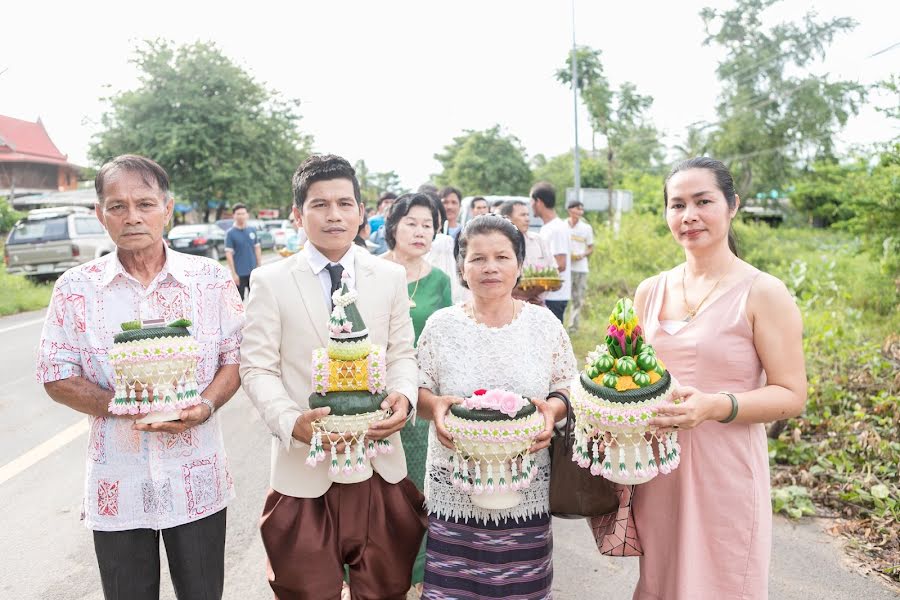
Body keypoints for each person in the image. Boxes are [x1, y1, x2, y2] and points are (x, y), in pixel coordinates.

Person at [36, 154, 244, 600]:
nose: (132, 217)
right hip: (118, 485)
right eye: (117, 206)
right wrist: (123, 404)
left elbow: (235, 359)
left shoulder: (208, 279)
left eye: (145, 204)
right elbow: (55, 375)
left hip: (197, 477)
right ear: (100, 214)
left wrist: (204, 406)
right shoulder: (75, 288)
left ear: (167, 209)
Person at [240, 154, 426, 600]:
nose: (334, 214)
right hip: (303, 471)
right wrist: (290, 421)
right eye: (319, 204)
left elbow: (402, 353)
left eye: (345, 203)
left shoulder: (390, 276)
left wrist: (403, 395)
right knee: (306, 592)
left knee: (385, 590)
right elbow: (257, 366)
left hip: (380, 464)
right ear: (297, 214)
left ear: (362, 212)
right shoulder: (270, 281)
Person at [630, 157, 807, 600]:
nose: (688, 216)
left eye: (702, 201)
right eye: (677, 205)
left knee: (722, 583)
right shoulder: (650, 291)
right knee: (660, 584)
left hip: (725, 472)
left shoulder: (763, 292)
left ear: (732, 206)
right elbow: (629, 379)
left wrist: (716, 405)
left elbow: (791, 395)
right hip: (657, 471)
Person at [416, 215, 577, 599]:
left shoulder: (544, 325)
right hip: (454, 489)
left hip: (526, 487)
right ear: (461, 267)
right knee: (452, 590)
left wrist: (552, 411)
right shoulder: (441, 326)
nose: (490, 267)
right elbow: (418, 388)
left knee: (523, 589)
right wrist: (435, 406)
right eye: (478, 258)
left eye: (502, 257)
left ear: (519, 265)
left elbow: (567, 385)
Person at [381, 192, 452, 595]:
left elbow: (440, 344)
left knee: (418, 490)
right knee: (378, 493)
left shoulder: (440, 281)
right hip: (376, 393)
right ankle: (372, 572)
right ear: (393, 227)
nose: (420, 230)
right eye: (412, 222)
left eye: (428, 224)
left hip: (420, 399)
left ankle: (420, 574)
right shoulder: (368, 272)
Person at [500, 199, 553, 306]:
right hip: (507, 307)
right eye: (522, 215)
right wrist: (523, 296)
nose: (527, 219)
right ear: (507, 218)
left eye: (528, 215)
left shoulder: (538, 241)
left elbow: (553, 272)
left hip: (537, 305)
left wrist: (535, 292)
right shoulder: (498, 244)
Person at [531, 182, 571, 322]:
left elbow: (560, 264)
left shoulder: (557, 228)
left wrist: (533, 284)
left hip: (555, 297)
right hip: (547, 295)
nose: (531, 206)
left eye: (531, 201)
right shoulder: (547, 228)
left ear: (538, 201)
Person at [566, 199, 594, 332]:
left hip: (581, 267)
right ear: (570, 210)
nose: (579, 212)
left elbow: (590, 247)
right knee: (564, 297)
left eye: (581, 210)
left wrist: (582, 255)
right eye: (577, 209)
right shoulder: (563, 225)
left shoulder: (586, 228)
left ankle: (573, 326)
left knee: (578, 298)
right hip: (565, 267)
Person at [225, 203, 263, 300]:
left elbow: (257, 248)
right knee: (238, 301)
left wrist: (259, 266)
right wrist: (233, 274)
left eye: (243, 213)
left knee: (256, 300)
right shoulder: (230, 233)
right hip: (239, 274)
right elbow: (228, 254)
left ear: (247, 215)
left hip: (253, 272)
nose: (241, 216)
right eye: (238, 214)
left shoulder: (252, 230)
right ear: (234, 215)